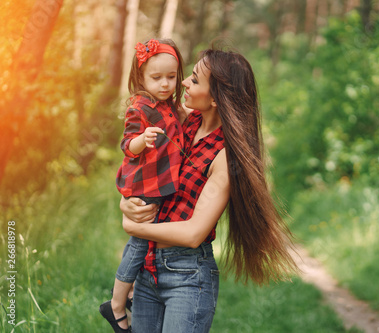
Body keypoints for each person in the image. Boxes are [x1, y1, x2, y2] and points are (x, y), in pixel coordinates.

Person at [120, 47, 298, 333]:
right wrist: (127, 203)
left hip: (187, 278)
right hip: (148, 269)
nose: (183, 83)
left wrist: (134, 227)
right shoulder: (183, 125)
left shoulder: (225, 157)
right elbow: (145, 174)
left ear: (215, 98)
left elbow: (193, 234)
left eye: (194, 79)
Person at [99, 38, 185, 333]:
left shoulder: (167, 105)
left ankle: (134, 290)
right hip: (145, 184)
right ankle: (116, 304)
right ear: (141, 78)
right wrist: (142, 140)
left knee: (144, 241)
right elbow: (127, 144)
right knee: (138, 242)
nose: (165, 84)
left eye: (171, 77)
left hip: (157, 183)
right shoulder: (141, 107)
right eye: (156, 77)